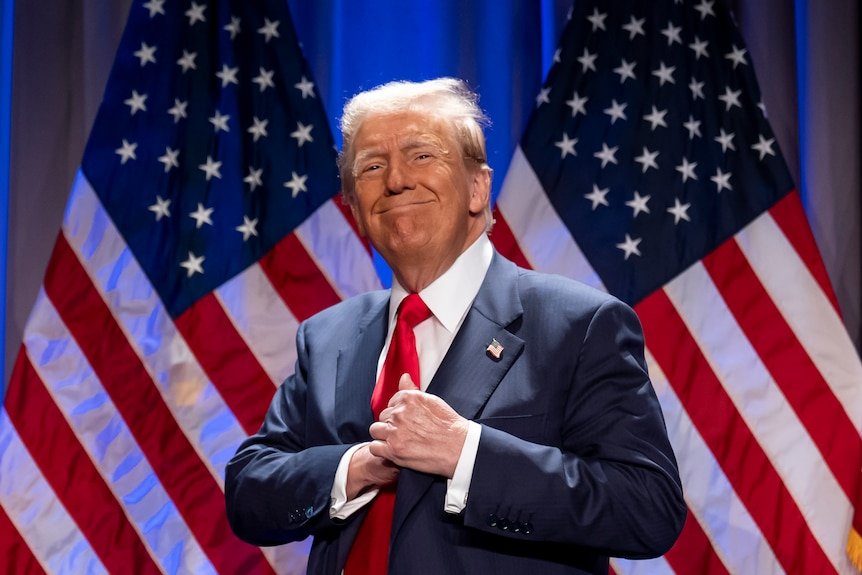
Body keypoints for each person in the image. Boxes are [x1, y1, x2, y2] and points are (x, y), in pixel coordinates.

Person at [225, 78, 686, 574]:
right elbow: (250, 490)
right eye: (373, 166)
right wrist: (354, 467)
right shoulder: (326, 337)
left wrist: (467, 453)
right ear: (355, 209)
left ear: (477, 187)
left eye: (422, 156)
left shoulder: (579, 324)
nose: (396, 180)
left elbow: (648, 507)